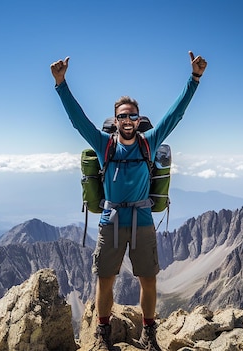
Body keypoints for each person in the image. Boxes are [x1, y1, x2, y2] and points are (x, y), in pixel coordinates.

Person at [51, 52, 207, 351]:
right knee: (105, 281)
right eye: (122, 116)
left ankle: (149, 334)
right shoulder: (103, 145)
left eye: (132, 116)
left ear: (139, 120)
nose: (127, 121)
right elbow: (77, 120)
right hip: (110, 222)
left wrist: (194, 80)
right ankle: (103, 332)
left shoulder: (150, 143)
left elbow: (175, 115)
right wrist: (61, 85)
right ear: (116, 120)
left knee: (148, 281)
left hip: (143, 222)